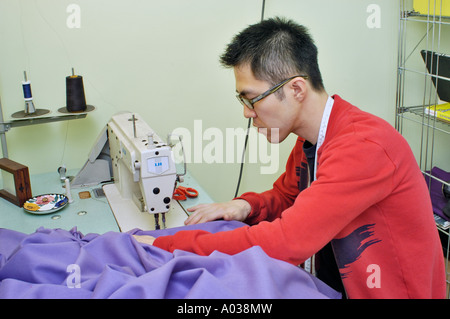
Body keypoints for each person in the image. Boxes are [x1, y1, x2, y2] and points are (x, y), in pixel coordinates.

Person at [134, 17, 446, 299]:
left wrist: (169, 246)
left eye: (252, 99)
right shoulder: (312, 138)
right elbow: (289, 195)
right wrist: (244, 205)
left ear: (296, 89)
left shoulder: (363, 146)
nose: (246, 112)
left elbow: (286, 242)